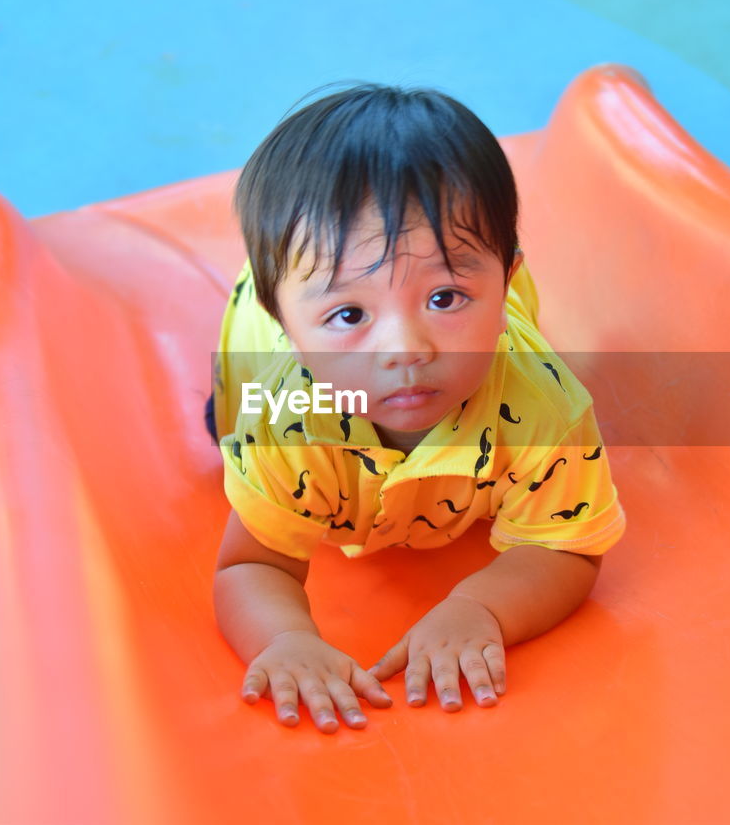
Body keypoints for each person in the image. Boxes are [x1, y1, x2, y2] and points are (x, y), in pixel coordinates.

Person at [209, 83, 626, 734]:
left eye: (446, 297)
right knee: (223, 433)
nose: (405, 350)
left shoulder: (546, 410)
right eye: (350, 314)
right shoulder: (288, 419)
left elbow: (563, 545)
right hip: (277, 363)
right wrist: (283, 638)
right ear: (288, 322)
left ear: (507, 278)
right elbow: (251, 563)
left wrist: (482, 606)